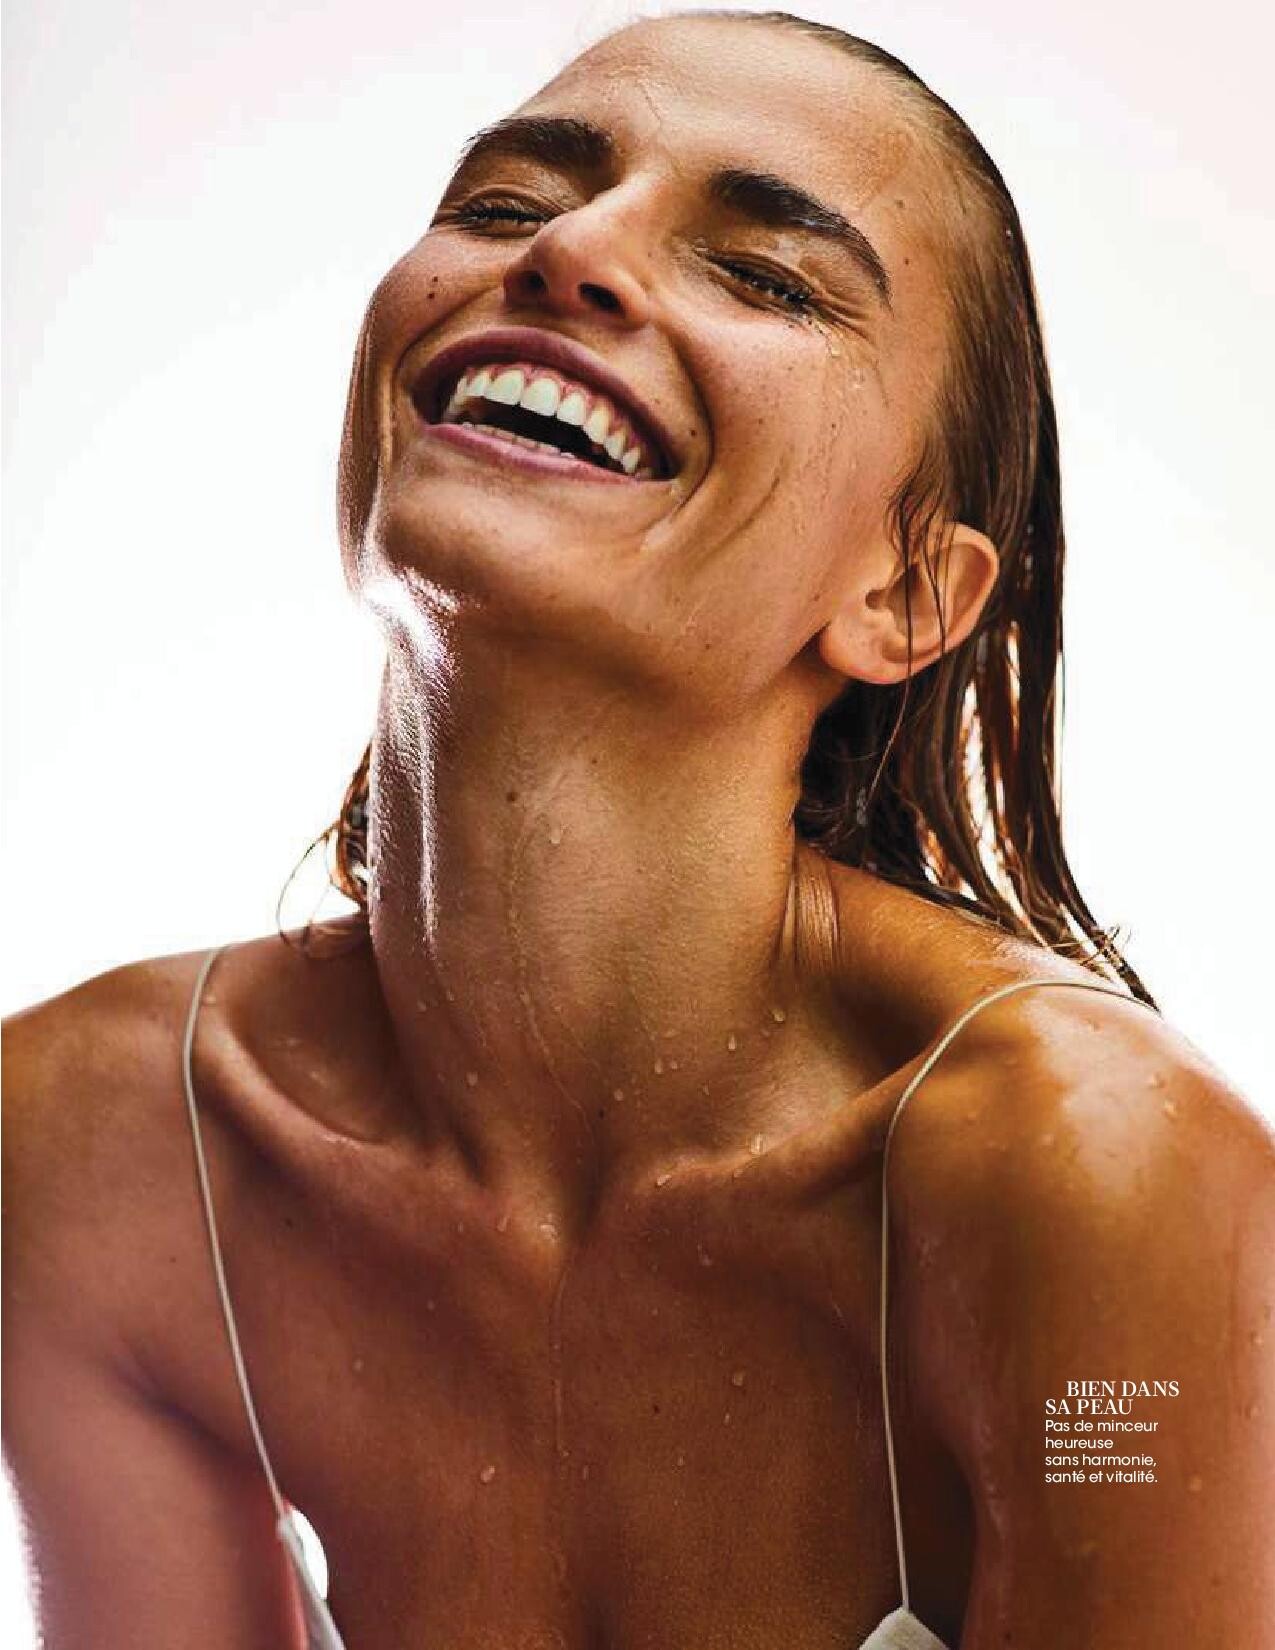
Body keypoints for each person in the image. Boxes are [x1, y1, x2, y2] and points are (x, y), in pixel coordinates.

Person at [4, 10, 1272, 1647]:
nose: (571, 255)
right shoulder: (96, 1153)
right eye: (506, 205)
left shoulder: (1095, 1185)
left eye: (765, 275)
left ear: (905, 591)